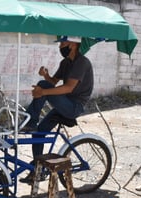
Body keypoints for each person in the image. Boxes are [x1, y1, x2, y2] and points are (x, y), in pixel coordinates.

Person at [20, 35, 94, 183]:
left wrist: (43, 92)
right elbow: (54, 81)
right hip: (64, 103)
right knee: (39, 132)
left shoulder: (82, 63)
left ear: (73, 44)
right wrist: (46, 75)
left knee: (43, 86)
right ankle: (38, 169)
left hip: (74, 106)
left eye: (62, 44)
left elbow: (68, 87)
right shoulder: (65, 63)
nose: (60, 47)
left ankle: (30, 121)